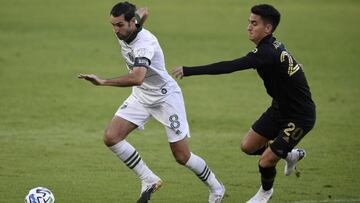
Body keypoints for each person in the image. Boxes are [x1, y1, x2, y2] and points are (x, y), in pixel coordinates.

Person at [78, 2, 225, 203]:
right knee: (111, 137)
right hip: (141, 96)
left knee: (182, 156)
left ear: (130, 23)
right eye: (113, 25)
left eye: (119, 25)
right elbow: (144, 10)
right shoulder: (128, 27)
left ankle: (217, 188)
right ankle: (148, 179)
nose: (116, 30)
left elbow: (137, 77)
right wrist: (139, 19)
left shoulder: (145, 45)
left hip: (166, 98)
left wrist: (103, 81)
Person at [172, 4, 316, 203]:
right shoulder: (273, 45)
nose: (249, 27)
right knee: (248, 146)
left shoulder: (266, 53)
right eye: (249, 22)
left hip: (300, 116)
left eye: (254, 23)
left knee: (265, 161)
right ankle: (289, 154)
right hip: (279, 108)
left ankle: (265, 193)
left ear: (268, 28)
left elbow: (229, 66)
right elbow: (292, 64)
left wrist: (189, 70)